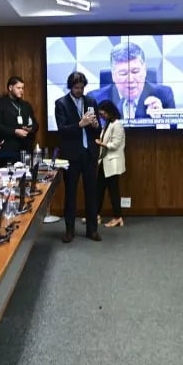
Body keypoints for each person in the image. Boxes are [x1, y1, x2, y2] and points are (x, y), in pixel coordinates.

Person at [55, 71, 102, 243]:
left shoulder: (91, 102)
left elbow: (98, 130)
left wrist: (95, 125)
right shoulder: (61, 103)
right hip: (71, 155)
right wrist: (80, 124)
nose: (79, 91)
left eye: (82, 87)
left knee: (92, 194)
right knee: (70, 194)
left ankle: (92, 230)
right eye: (76, 88)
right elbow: (62, 130)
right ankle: (69, 231)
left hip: (89, 154)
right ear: (70, 87)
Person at [92, 41, 175, 119]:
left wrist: (161, 119)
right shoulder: (95, 99)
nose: (130, 79)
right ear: (113, 75)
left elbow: (173, 127)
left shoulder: (163, 95)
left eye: (135, 71)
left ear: (145, 70)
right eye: (123, 73)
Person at [0, 76, 37, 160]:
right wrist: (14, 131)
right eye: (18, 88)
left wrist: (30, 129)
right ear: (10, 88)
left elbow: (36, 125)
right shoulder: (0, 103)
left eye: (22, 88)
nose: (21, 90)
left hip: (25, 149)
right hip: (7, 150)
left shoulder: (26, 105)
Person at [94, 100, 126, 228]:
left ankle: (118, 217)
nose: (102, 116)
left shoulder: (117, 124)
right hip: (105, 162)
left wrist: (101, 143)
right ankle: (96, 215)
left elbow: (115, 144)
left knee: (113, 191)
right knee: (99, 189)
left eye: (103, 114)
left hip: (113, 163)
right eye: (101, 114)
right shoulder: (108, 124)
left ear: (110, 112)